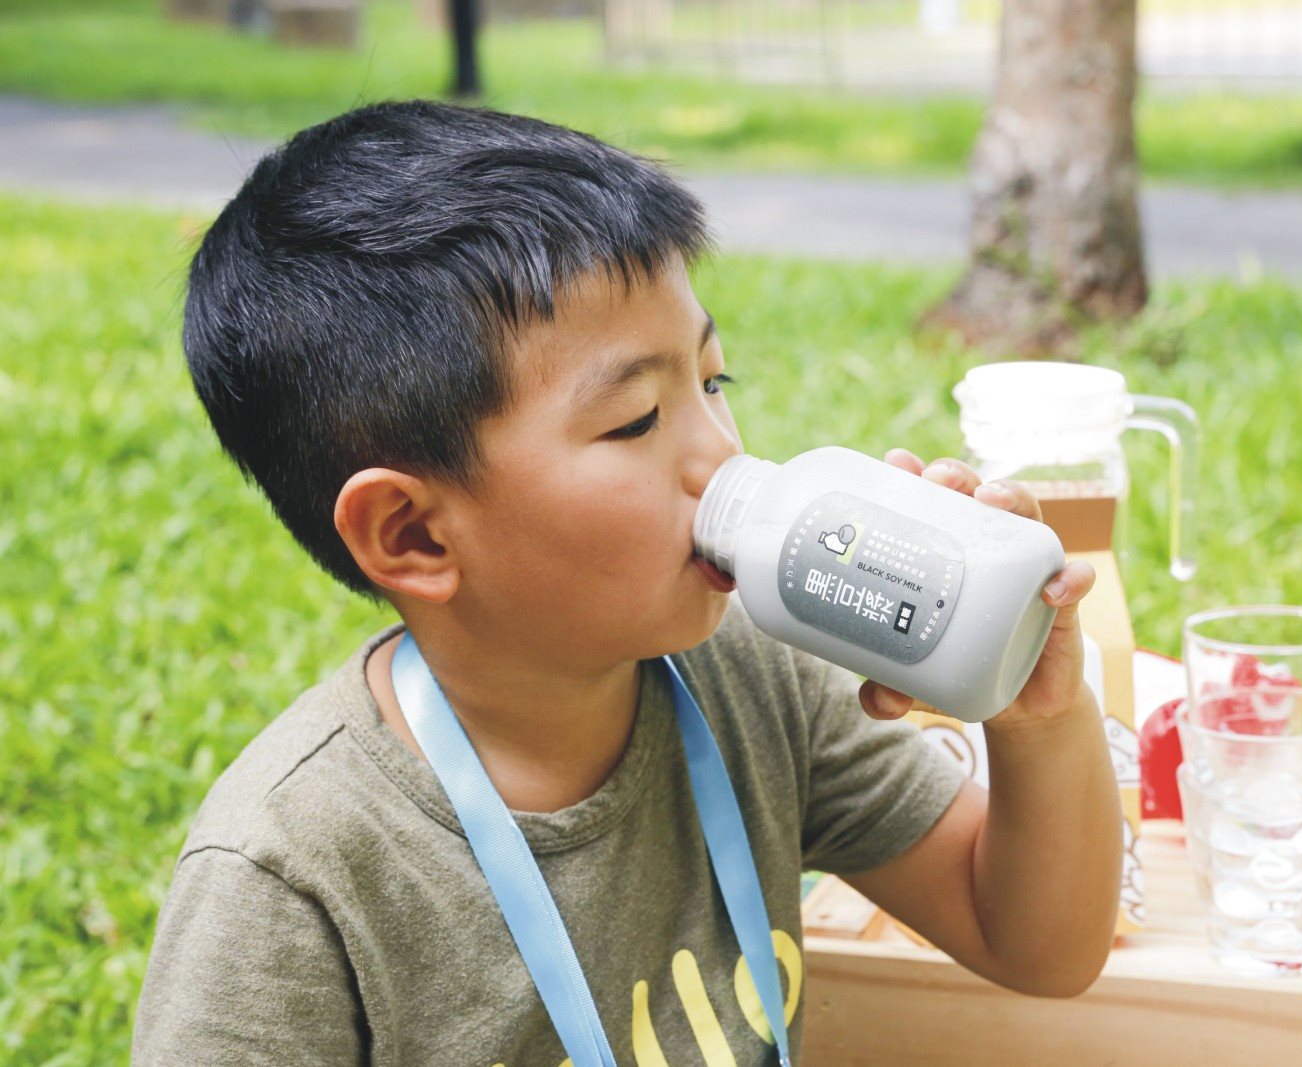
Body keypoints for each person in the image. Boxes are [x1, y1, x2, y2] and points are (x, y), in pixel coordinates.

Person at [130, 99, 1122, 1065]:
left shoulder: (752, 675)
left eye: (713, 381)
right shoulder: (292, 874)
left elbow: (1036, 942)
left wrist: (1033, 715)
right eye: (636, 420)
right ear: (414, 534)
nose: (721, 455)